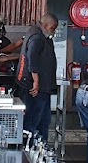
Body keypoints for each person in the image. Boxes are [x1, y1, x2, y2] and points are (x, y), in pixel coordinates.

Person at [18, 13, 58, 145]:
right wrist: (36, 81)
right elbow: (32, 59)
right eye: (52, 28)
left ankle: (41, 146)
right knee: (33, 120)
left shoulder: (41, 35)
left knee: (44, 120)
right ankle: (29, 148)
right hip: (35, 87)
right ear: (45, 26)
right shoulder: (37, 37)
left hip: (44, 87)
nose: (54, 31)